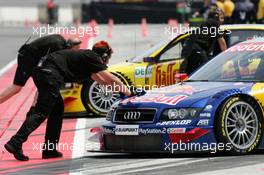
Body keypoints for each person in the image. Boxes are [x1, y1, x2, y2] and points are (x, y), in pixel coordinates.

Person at [4, 41, 131, 161]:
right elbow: (111, 78)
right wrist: (129, 92)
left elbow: (102, 81)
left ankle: (50, 149)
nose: (107, 60)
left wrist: (118, 90)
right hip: (49, 75)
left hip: (41, 72)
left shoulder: (87, 59)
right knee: (41, 112)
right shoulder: (92, 57)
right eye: (108, 56)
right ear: (104, 55)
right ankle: (15, 142)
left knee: (57, 110)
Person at [2, 34, 81, 161]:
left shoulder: (60, 42)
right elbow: (46, 75)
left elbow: (43, 78)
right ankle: (18, 143)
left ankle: (49, 149)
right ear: (70, 47)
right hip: (28, 58)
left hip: (35, 63)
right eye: (75, 52)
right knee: (17, 88)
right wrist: (35, 104)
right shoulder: (58, 49)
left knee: (57, 108)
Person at [180, 7, 227, 75]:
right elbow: (222, 41)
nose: (223, 20)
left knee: (192, 75)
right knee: (205, 74)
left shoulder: (206, 24)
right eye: (221, 18)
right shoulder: (213, 22)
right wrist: (227, 56)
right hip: (197, 50)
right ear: (216, 16)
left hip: (190, 52)